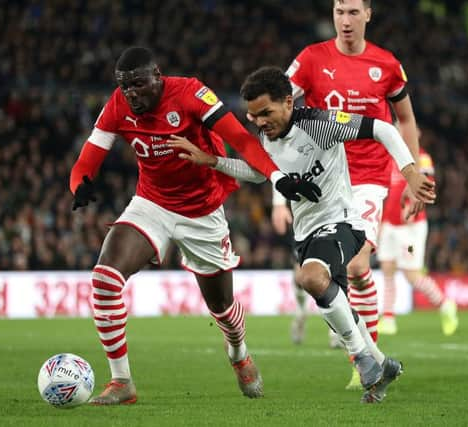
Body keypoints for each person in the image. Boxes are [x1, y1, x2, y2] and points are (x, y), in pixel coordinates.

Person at [69, 47, 322, 405]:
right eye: (125, 88)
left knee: (223, 311)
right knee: (105, 279)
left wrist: (278, 179)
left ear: (158, 76)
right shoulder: (118, 104)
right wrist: (79, 184)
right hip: (151, 203)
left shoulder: (190, 93)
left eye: (139, 84)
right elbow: (87, 161)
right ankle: (121, 381)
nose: (132, 94)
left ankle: (239, 353)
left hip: (203, 212)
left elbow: (242, 140)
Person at [167, 66, 436, 403]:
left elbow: (382, 128)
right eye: (253, 117)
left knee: (310, 277)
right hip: (306, 232)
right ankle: (383, 366)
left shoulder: (320, 125)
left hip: (344, 222)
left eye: (266, 112)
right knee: (335, 300)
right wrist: (212, 161)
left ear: (288, 103)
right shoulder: (265, 138)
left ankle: (362, 357)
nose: (260, 122)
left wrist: (410, 171)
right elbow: (256, 172)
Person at [276, 0, 424, 389]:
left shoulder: (387, 65)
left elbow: (405, 120)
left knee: (357, 268)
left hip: (371, 176)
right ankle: (371, 359)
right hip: (323, 179)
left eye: (354, 12)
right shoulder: (310, 59)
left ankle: (365, 360)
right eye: (340, 11)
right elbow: (276, 108)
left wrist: (412, 174)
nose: (345, 20)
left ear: (368, 14)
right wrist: (278, 193)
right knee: (326, 274)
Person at [377, 140, 458, 336]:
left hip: (411, 227)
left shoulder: (422, 157)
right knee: (387, 267)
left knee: (411, 275)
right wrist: (380, 221)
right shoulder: (389, 155)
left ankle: (445, 305)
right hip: (389, 222)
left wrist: (414, 208)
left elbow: (428, 185)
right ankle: (388, 318)